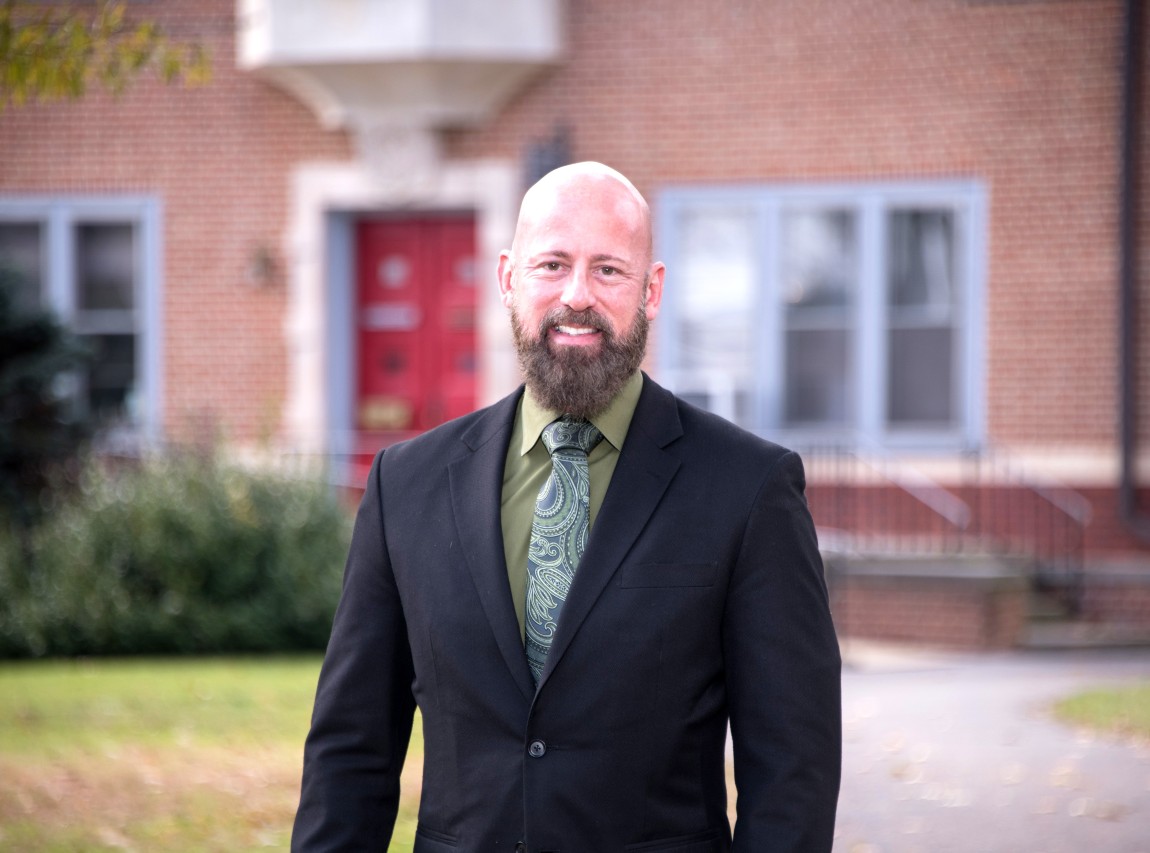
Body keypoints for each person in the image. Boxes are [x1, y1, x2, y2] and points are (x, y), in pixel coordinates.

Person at [292, 162, 841, 852]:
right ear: (506, 278)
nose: (576, 295)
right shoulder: (405, 485)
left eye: (608, 270)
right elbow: (351, 749)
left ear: (652, 290)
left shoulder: (749, 488)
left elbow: (794, 768)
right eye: (552, 264)